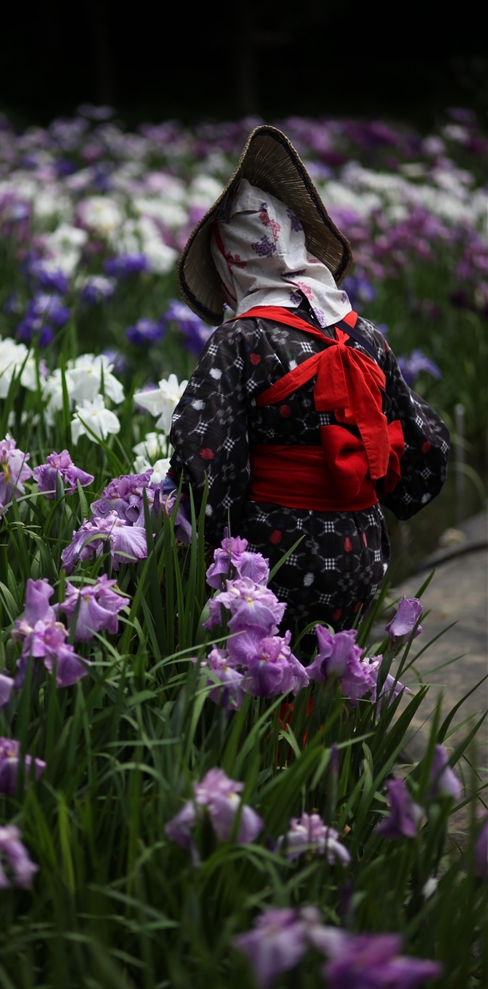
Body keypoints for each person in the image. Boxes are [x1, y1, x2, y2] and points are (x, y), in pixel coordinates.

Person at [166, 126, 449, 649]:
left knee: (273, 670)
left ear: (231, 263)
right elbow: (422, 446)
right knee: (335, 669)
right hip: (363, 548)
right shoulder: (363, 333)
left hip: (277, 553)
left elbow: (204, 455)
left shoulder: (242, 338)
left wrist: (202, 543)